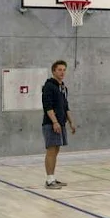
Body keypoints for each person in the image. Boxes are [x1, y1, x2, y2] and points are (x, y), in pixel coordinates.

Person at [41, 60, 75, 188]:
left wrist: (71, 122)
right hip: (51, 124)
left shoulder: (63, 88)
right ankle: (49, 181)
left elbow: (66, 107)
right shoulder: (49, 86)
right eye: (59, 70)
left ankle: (52, 177)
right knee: (51, 151)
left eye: (64, 70)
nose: (62, 72)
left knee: (56, 151)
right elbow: (47, 106)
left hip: (61, 124)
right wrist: (54, 122)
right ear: (53, 71)